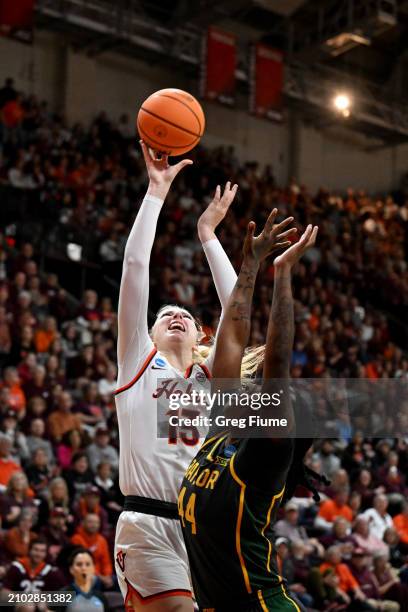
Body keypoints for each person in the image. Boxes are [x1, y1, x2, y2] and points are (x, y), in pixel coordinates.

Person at [114, 142, 240, 611]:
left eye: (183, 314)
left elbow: (239, 311)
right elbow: (134, 268)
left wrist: (208, 233)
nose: (174, 315)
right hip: (146, 523)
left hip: (202, 531)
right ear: (147, 333)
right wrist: (156, 192)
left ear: (201, 334)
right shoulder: (138, 362)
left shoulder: (211, 376)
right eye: (163, 314)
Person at [179, 213, 319, 610]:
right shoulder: (225, 429)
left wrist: (284, 272)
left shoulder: (264, 459)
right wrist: (252, 263)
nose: (250, 385)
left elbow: (277, 362)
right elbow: (233, 333)